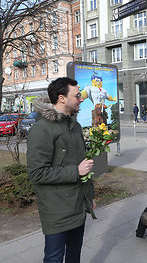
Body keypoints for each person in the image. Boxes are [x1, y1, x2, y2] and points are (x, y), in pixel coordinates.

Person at [27, 77, 96, 263]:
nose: (81, 99)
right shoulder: (42, 129)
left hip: (78, 206)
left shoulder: (75, 126)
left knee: (74, 254)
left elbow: (82, 166)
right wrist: (76, 171)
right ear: (61, 98)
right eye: (77, 96)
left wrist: (90, 197)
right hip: (56, 210)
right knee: (54, 257)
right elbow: (36, 173)